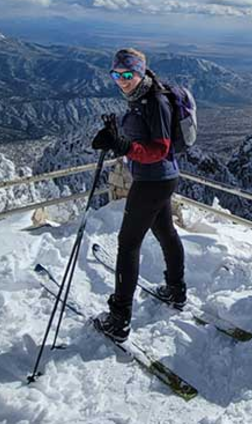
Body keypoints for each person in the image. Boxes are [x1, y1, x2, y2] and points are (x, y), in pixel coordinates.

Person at [90, 48, 185, 342]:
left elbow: (160, 149)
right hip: (159, 180)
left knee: (128, 245)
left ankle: (119, 320)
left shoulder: (154, 101)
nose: (122, 80)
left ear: (141, 72)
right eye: (116, 75)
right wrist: (117, 137)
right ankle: (175, 290)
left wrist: (124, 147)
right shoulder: (140, 99)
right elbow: (141, 138)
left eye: (128, 74)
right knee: (166, 232)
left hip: (152, 182)